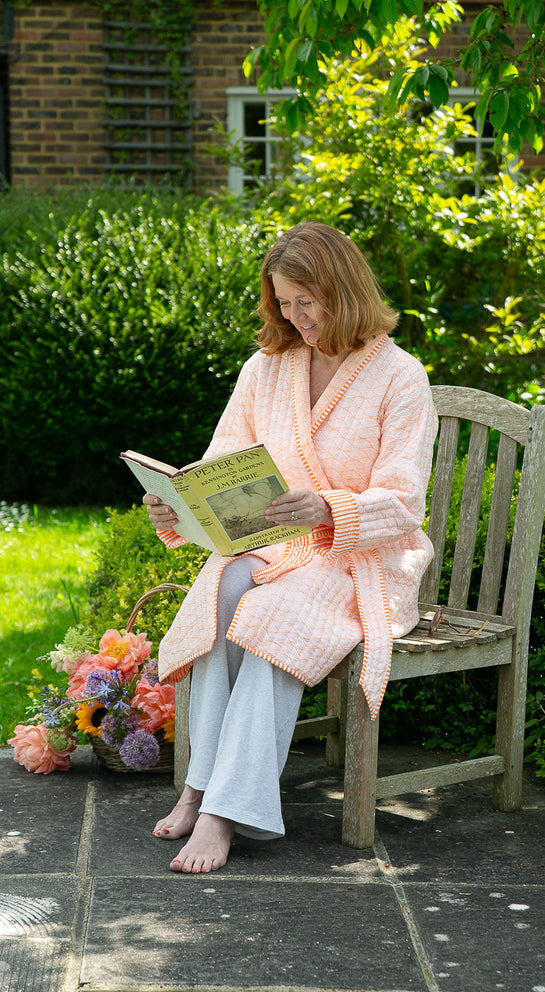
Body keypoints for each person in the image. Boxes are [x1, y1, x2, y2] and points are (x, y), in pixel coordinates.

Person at [143, 221, 438, 874]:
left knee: (274, 619)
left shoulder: (399, 377)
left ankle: (222, 811)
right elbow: (223, 461)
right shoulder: (265, 368)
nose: (294, 316)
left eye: (306, 301)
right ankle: (199, 784)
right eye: (283, 302)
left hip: (359, 554)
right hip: (277, 542)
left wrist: (329, 508)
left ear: (343, 288)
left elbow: (402, 502)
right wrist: (180, 502)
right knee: (222, 588)